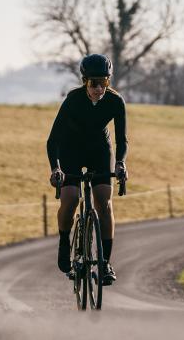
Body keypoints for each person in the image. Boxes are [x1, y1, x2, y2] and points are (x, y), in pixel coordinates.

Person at [47, 54, 128, 285]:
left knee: (104, 201)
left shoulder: (115, 101)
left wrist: (121, 163)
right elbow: (53, 140)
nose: (99, 89)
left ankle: (104, 264)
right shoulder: (73, 100)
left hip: (99, 150)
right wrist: (56, 168)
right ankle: (65, 241)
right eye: (94, 83)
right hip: (70, 149)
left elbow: (122, 140)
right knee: (71, 198)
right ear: (85, 81)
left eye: (104, 83)